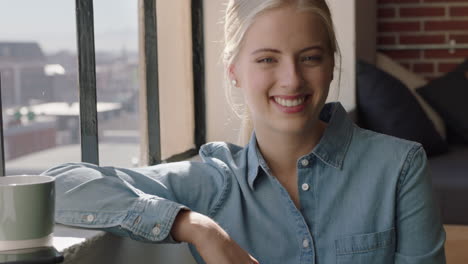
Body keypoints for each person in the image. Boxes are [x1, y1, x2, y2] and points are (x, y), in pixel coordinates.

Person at [43, 0, 446, 263]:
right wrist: (196, 227)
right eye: (268, 59)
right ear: (234, 70)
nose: (291, 79)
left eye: (309, 57)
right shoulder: (210, 183)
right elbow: (57, 184)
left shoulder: (399, 165)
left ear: (332, 64)